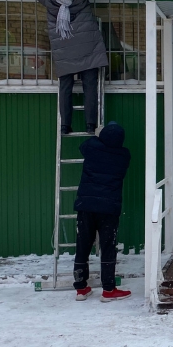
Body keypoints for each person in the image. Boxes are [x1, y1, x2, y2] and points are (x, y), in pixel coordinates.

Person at [28, 0, 109, 134]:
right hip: (88, 48)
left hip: (64, 52)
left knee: (65, 87)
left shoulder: (49, 0)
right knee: (90, 86)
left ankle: (65, 126)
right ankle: (91, 125)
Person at [72, 121, 132, 302]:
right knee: (107, 247)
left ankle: (81, 288)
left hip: (86, 205)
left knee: (83, 245)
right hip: (108, 208)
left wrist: (98, 134)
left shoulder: (91, 148)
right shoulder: (123, 155)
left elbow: (83, 145)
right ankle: (108, 290)